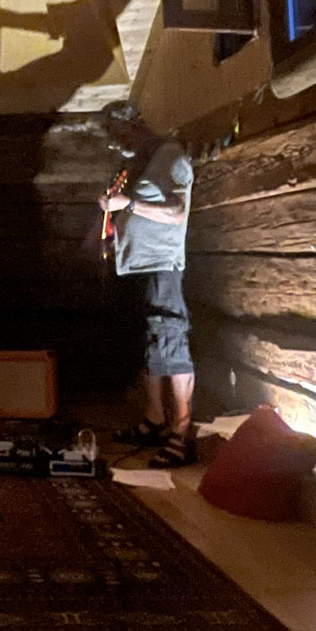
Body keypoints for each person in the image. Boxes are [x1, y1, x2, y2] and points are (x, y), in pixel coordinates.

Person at [97, 99, 196, 466]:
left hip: (162, 265)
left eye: (116, 133)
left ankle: (181, 435)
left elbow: (177, 212)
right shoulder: (136, 164)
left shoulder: (170, 156)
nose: (114, 141)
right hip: (135, 266)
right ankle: (154, 421)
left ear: (133, 125)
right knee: (149, 345)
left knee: (171, 340)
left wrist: (129, 206)